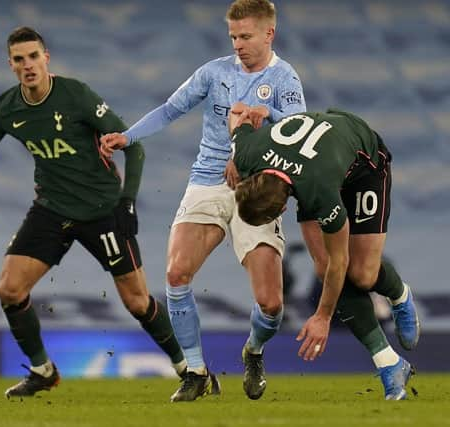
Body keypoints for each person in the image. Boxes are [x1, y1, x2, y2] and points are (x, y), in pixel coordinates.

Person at [0, 26, 194, 400]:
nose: (28, 65)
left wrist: (127, 201)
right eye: (19, 60)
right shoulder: (7, 108)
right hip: (51, 209)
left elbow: (134, 147)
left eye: (33, 56)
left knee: (136, 301)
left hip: (101, 210)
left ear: (45, 58)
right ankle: (42, 370)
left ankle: (189, 370)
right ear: (11, 65)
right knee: (9, 289)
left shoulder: (76, 95)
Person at [100, 0, 305, 401]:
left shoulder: (285, 79)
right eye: (233, 37)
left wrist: (272, 118)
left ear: (269, 34)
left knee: (271, 304)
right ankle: (195, 372)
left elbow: (300, 131)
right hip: (207, 181)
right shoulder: (214, 72)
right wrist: (128, 136)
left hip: (256, 189)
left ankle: (254, 350)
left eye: (245, 36)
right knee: (176, 275)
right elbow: (170, 109)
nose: (238, 44)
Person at [229, 106, 420, 400]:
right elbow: (237, 113)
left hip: (364, 165)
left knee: (360, 274)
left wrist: (323, 316)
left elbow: (339, 261)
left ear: (282, 208)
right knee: (323, 269)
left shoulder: (318, 190)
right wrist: (250, 121)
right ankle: (389, 364)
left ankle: (399, 294)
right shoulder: (246, 153)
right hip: (312, 164)